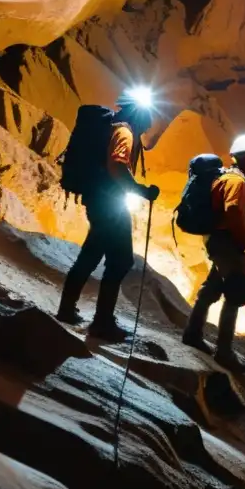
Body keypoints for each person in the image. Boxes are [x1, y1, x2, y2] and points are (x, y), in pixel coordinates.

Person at [57, 90, 160, 341]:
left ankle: (67, 310)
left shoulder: (114, 127)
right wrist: (141, 191)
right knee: (120, 260)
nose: (149, 122)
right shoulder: (124, 131)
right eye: (148, 115)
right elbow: (117, 165)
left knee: (91, 255)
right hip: (109, 203)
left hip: (99, 199)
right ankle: (102, 323)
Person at [181, 133, 245, 372]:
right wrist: (244, 242)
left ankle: (193, 332)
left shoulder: (230, 179)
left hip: (220, 241)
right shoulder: (236, 182)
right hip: (227, 243)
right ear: (244, 158)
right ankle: (225, 352)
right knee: (236, 292)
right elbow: (232, 212)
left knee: (214, 286)